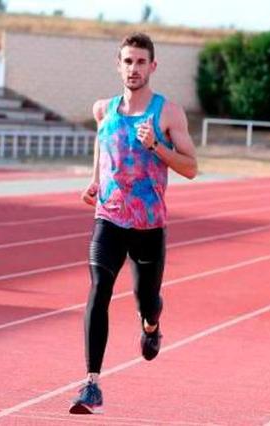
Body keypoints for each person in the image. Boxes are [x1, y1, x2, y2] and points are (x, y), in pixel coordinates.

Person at [70, 32, 198, 414]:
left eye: (141, 62)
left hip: (148, 225)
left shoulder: (167, 113)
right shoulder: (103, 109)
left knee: (147, 301)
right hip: (108, 217)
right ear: (119, 64)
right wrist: (95, 179)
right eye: (128, 61)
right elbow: (101, 139)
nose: (134, 68)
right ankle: (91, 384)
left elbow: (191, 167)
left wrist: (157, 147)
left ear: (152, 67)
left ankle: (151, 326)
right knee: (99, 289)